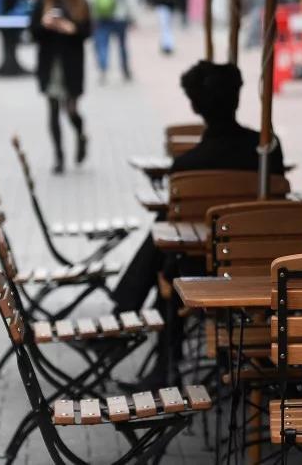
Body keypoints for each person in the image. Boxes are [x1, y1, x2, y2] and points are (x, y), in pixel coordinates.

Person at [111, 60, 285, 385]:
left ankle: (152, 348)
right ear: (237, 97)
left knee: (169, 258)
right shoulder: (267, 151)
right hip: (266, 265)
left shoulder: (187, 167)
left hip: (203, 269)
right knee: (166, 248)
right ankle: (131, 309)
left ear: (194, 105)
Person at [29, 0, 91, 174]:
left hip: (71, 63)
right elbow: (32, 33)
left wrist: (71, 28)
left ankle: (81, 135)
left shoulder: (79, 0)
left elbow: (87, 31)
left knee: (71, 109)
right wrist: (45, 24)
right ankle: (59, 156)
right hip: (50, 63)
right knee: (53, 109)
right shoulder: (42, 0)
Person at [85, 0, 138, 82]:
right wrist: (133, 17)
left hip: (101, 16)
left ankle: (103, 68)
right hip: (120, 16)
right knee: (122, 44)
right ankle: (124, 69)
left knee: (102, 43)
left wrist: (91, 15)